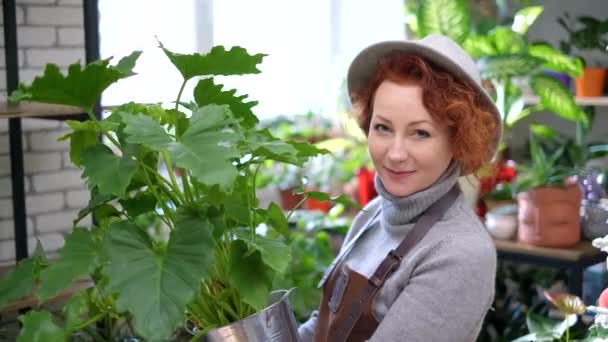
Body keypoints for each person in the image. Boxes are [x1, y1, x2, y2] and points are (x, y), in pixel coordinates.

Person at [297, 34, 502, 342]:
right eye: (383, 128)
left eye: (420, 133)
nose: (395, 153)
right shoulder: (371, 216)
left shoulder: (461, 251)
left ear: (458, 140)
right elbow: (321, 329)